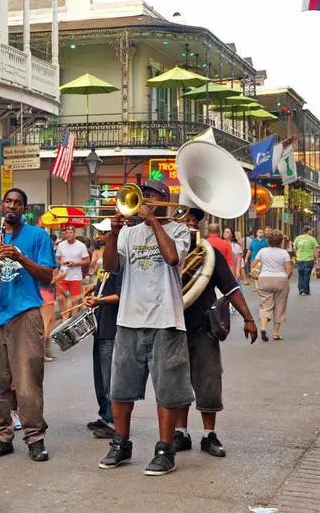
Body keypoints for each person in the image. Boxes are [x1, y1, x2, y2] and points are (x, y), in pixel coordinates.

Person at [98, 180, 192, 476]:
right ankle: (120, 443)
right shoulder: (127, 231)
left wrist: (153, 222)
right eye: (141, 197)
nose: (143, 203)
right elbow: (111, 266)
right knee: (120, 389)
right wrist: (113, 235)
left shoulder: (178, 229)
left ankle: (165, 450)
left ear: (164, 199)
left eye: (149, 197)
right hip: (129, 319)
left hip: (165, 319)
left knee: (167, 390)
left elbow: (172, 258)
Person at [0, 187, 56, 462]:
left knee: (27, 381)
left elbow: (47, 276)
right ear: (2, 206)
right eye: (8, 201)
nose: (12, 206)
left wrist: (20, 256)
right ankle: (1, 435)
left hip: (25, 314)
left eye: (18, 203)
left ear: (25, 209)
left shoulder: (38, 236)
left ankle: (35, 437)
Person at [173, 207, 257, 458]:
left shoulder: (209, 253)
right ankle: (180, 432)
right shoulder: (166, 253)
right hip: (172, 327)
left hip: (202, 327)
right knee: (177, 382)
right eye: (184, 220)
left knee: (209, 381)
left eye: (193, 221)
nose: (189, 224)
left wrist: (248, 317)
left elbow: (231, 288)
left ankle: (208, 435)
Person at [83, 219, 122, 440]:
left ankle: (113, 421)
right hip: (100, 324)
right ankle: (104, 415)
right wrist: (93, 288)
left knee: (109, 379)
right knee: (99, 376)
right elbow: (104, 285)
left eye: (103, 232)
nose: (98, 235)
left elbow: (123, 293)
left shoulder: (117, 262)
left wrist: (101, 300)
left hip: (111, 327)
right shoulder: (104, 261)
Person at [252, 230, 293, 341]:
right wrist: (285, 278)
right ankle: (276, 333)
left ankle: (264, 328)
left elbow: (253, 265)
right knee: (280, 305)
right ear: (280, 241)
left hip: (264, 279)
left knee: (265, 305)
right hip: (281, 279)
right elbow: (289, 269)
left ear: (269, 240)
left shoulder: (262, 251)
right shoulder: (284, 253)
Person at [55, 226, 90, 322]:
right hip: (63, 275)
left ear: (74, 233)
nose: (69, 234)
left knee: (74, 300)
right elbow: (57, 258)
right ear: (65, 234)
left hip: (76, 276)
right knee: (60, 298)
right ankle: (64, 318)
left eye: (71, 232)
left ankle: (73, 320)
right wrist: (60, 263)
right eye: (67, 232)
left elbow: (87, 261)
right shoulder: (61, 245)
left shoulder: (81, 246)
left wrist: (75, 264)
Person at [292, 226, 320, 296]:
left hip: (300, 259)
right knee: (307, 274)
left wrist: (297, 254)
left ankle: (300, 289)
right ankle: (306, 290)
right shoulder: (312, 239)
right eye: (311, 230)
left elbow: (294, 248)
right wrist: (316, 259)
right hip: (309, 259)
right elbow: (315, 250)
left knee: (300, 274)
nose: (311, 232)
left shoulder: (298, 238)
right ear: (308, 231)